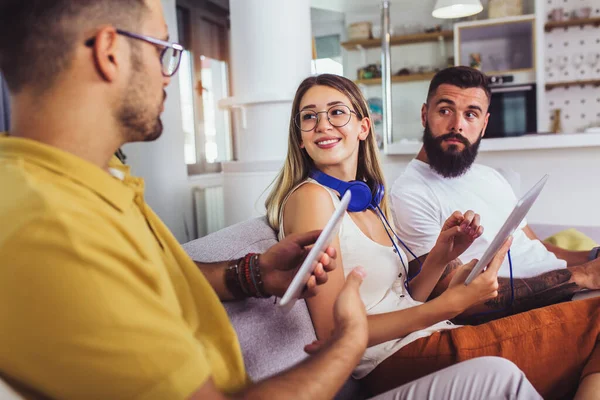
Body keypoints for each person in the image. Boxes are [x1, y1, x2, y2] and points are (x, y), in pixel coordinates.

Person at [0, 1, 543, 399]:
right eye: (166, 50)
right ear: (111, 52)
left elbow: (164, 275)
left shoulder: (102, 188)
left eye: (338, 113)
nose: (173, 75)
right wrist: (350, 340)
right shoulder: (52, 227)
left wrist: (253, 274)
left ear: (362, 126)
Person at [265, 72, 600, 399]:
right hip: (393, 358)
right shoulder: (311, 198)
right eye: (310, 117)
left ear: (363, 127)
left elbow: (401, 297)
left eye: (337, 112)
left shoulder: (368, 202)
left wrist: (440, 255)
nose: (323, 125)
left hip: (429, 335)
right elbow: (335, 333)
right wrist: (448, 305)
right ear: (300, 137)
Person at [389, 66, 600, 320]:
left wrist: (593, 257)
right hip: (534, 308)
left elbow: (536, 247)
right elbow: (449, 296)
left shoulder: (490, 176)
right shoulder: (409, 194)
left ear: (484, 124)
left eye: (471, 115)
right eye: (445, 111)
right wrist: (582, 276)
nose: (457, 125)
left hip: (570, 288)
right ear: (425, 115)